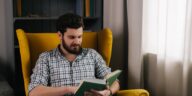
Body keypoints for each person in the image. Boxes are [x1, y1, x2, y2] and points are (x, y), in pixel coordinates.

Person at [28, 13, 120, 96]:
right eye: (72, 37)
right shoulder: (46, 58)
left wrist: (108, 92)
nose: (77, 42)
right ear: (60, 35)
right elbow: (34, 91)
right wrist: (70, 89)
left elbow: (114, 81)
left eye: (79, 36)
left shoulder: (92, 55)